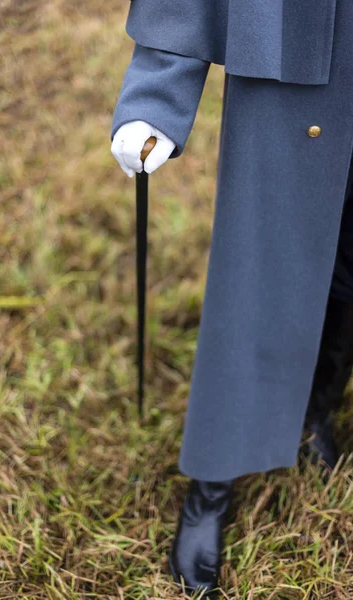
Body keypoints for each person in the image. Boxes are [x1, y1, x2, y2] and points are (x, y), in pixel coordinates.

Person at [110, 0, 353, 596]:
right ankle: (214, 476)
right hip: (302, 39)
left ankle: (314, 404)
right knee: (263, 261)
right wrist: (156, 90)